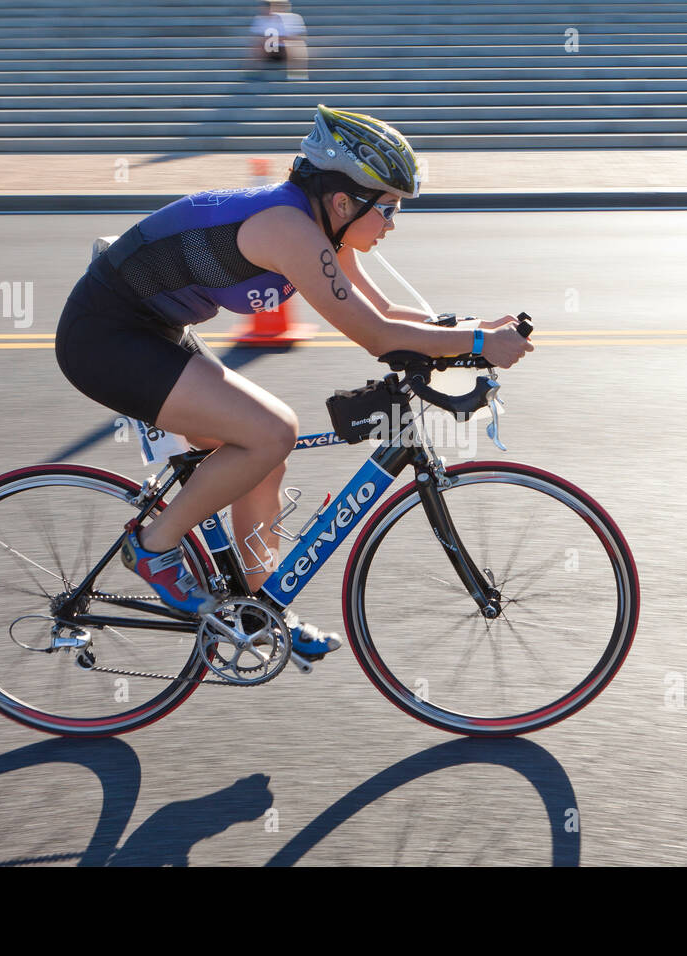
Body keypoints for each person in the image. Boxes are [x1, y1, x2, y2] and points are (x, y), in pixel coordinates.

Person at [54, 105, 532, 663]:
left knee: (264, 452)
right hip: (105, 338)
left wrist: (474, 328)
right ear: (342, 201)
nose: (393, 225)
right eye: (389, 209)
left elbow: (383, 310)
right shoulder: (289, 230)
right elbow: (376, 335)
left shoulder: (317, 227)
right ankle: (153, 549)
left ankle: (260, 608)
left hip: (152, 329)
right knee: (272, 431)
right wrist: (476, 345)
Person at [249, 0, 308, 81]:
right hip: (269, 48)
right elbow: (258, 37)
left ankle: (297, 74)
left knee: (297, 45)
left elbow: (298, 37)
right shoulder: (261, 19)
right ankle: (254, 73)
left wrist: (279, 39)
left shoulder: (294, 17)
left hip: (285, 49)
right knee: (258, 45)